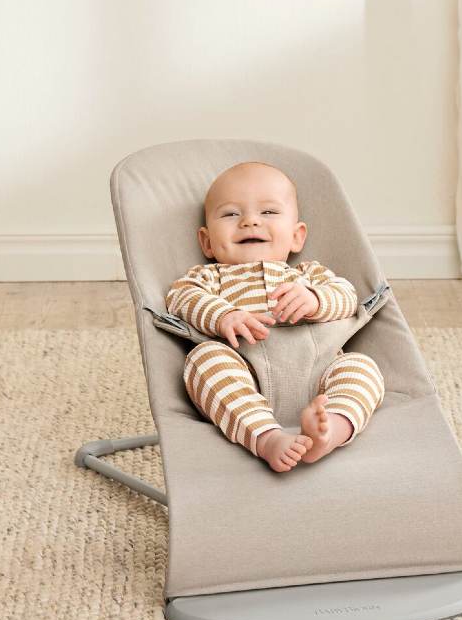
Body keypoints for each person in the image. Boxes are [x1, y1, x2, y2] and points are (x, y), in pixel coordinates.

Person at [165, 161, 385, 472]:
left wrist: (315, 299)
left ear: (297, 237)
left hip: (319, 377)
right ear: (207, 242)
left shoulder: (308, 274)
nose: (250, 222)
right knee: (205, 360)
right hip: (247, 376)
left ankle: (330, 429)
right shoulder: (209, 277)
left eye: (268, 212)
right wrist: (223, 315)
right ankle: (266, 437)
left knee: (361, 367)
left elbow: (347, 298)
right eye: (230, 214)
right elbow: (181, 298)